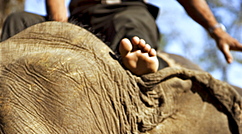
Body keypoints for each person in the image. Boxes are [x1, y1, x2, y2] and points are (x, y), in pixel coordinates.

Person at [1, 0, 242, 76]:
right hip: (78, 20)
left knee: (128, 29)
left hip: (124, 10)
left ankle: (143, 64)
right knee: (19, 21)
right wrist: (59, 29)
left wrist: (215, 29)